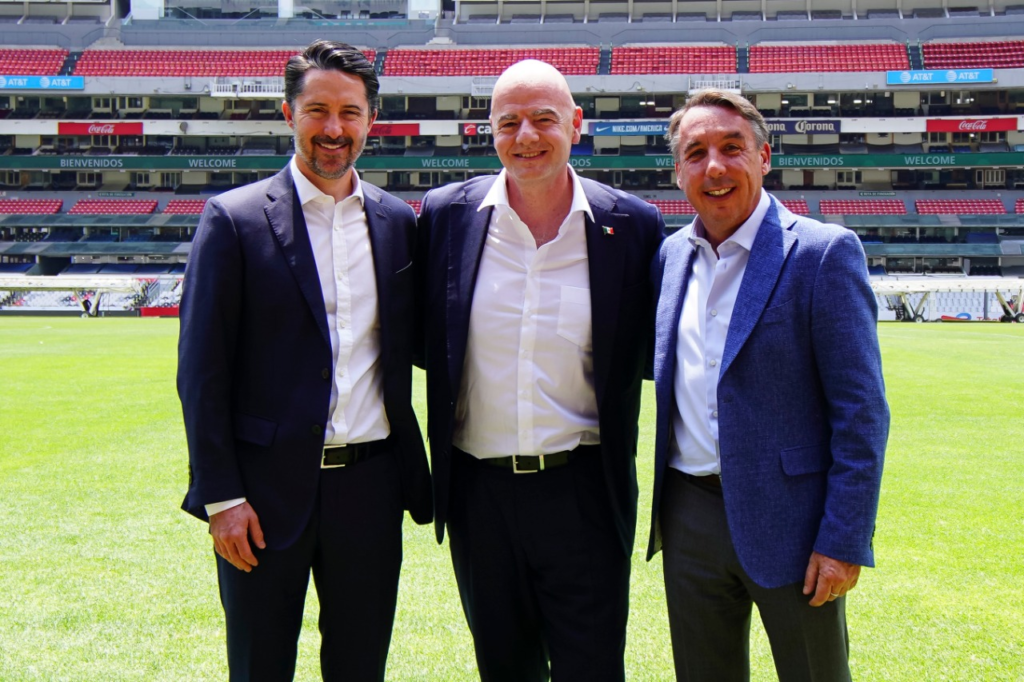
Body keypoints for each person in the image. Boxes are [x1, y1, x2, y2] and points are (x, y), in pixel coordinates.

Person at [177, 40, 431, 681]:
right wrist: (222, 498)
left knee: (360, 666)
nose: (333, 128)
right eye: (317, 110)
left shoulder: (398, 223)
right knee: (260, 666)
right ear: (289, 113)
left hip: (370, 488)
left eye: (349, 112)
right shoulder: (233, 220)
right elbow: (202, 372)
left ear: (372, 119)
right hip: (261, 496)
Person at [415, 60, 664, 682]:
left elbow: (651, 351)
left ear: (576, 124)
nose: (525, 136)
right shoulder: (445, 216)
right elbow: (420, 340)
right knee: (504, 668)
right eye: (509, 122)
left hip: (584, 491)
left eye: (543, 119)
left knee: (593, 670)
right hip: (479, 496)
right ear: (490, 131)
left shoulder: (632, 225)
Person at [647, 89, 889, 682]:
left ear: (764, 156)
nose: (715, 167)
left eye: (732, 148)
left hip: (795, 525)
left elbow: (861, 412)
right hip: (689, 516)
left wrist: (844, 539)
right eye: (695, 152)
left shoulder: (823, 254)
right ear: (678, 171)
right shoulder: (670, 257)